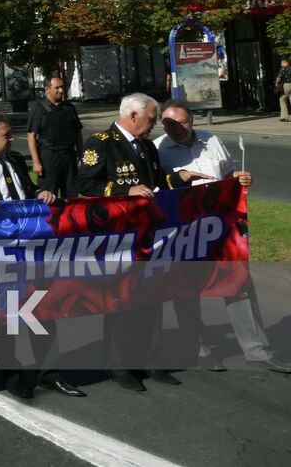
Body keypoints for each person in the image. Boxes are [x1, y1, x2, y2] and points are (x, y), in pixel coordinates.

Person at [0, 114, 85, 399]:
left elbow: (28, 192)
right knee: (3, 316)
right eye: (7, 135)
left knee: (43, 311)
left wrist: (42, 193)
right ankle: (10, 374)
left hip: (30, 249)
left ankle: (50, 372)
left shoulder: (17, 161)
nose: (12, 139)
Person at [155, 101, 291, 373]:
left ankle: (257, 350)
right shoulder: (158, 149)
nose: (178, 129)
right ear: (162, 124)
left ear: (192, 120)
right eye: (170, 124)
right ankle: (199, 348)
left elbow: (228, 173)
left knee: (238, 283)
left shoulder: (212, 140)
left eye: (183, 122)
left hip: (221, 226)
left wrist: (239, 177)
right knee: (186, 290)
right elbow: (156, 190)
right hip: (184, 230)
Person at [74, 92, 185, 392]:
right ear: (133, 115)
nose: (153, 126)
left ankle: (151, 360)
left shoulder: (147, 146)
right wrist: (124, 191)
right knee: (121, 299)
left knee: (152, 295)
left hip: (150, 232)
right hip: (118, 236)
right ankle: (119, 366)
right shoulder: (100, 142)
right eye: (151, 120)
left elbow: (157, 181)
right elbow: (84, 184)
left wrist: (180, 178)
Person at [25, 74, 83, 197]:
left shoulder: (69, 108)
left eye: (62, 87)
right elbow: (31, 136)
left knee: (72, 195)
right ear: (47, 89)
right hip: (49, 158)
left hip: (69, 156)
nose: (61, 90)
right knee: (49, 196)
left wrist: (81, 155)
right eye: (57, 88)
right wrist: (36, 162)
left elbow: (78, 133)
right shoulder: (39, 109)